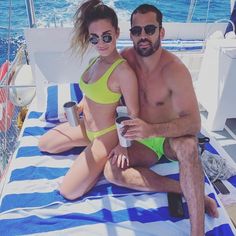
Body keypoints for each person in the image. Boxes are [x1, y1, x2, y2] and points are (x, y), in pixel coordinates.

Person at [103, 4, 218, 236]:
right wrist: (121, 143)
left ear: (161, 32)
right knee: (111, 171)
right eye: (137, 31)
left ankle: (198, 232)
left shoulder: (175, 70)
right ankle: (188, 192)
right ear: (131, 34)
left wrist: (152, 130)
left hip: (168, 138)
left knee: (188, 146)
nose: (143, 36)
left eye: (149, 29)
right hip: (141, 139)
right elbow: (109, 96)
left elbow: (194, 123)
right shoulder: (125, 59)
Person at [38, 0, 139, 200]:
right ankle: (90, 162)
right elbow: (89, 95)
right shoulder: (95, 61)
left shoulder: (123, 72)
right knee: (44, 144)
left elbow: (134, 114)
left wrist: (122, 145)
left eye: (106, 36)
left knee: (68, 191)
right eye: (94, 38)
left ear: (117, 33)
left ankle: (97, 167)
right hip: (85, 126)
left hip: (105, 135)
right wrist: (80, 106)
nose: (100, 43)